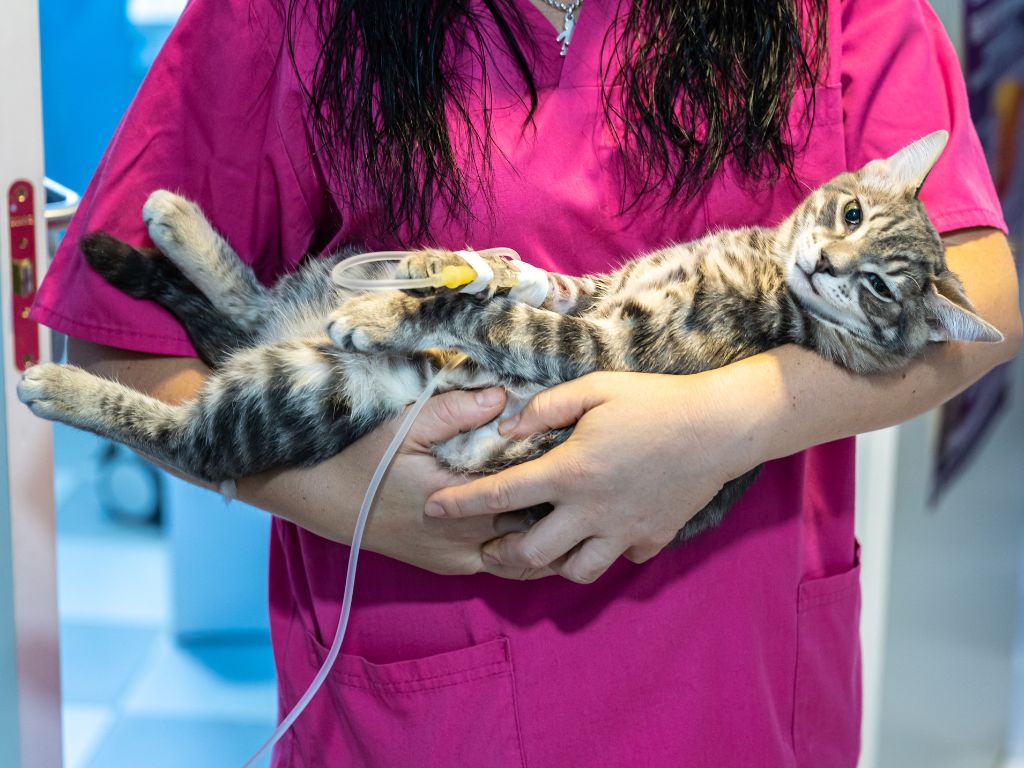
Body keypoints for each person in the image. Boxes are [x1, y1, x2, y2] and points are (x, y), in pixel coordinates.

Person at [33, 0, 1022, 764]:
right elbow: (116, 338)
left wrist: (726, 421)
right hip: (426, 695)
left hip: (743, 682)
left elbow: (985, 300)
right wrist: (342, 497)